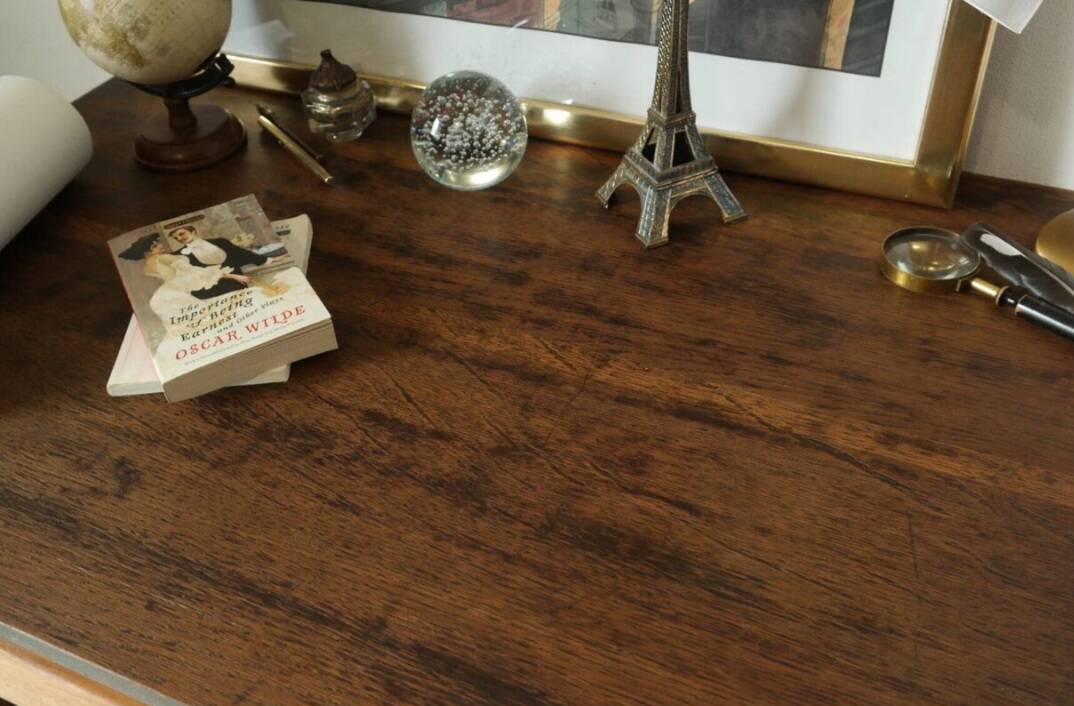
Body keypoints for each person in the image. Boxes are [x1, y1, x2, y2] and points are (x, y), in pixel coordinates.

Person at [118, 233, 251, 336]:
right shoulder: (164, 258)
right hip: (176, 295)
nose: (160, 246)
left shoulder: (147, 266)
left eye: (158, 243)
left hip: (162, 296)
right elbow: (198, 272)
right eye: (156, 245)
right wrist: (233, 275)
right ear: (148, 251)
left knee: (192, 328)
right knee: (211, 323)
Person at [169, 224, 285, 299]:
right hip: (210, 290)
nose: (179, 238)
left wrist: (268, 259)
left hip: (236, 283)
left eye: (181, 233)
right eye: (176, 238)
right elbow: (196, 274)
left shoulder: (220, 242)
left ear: (193, 231)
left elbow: (241, 254)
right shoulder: (178, 255)